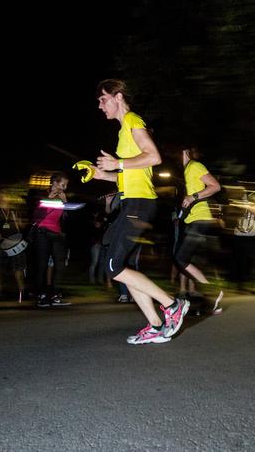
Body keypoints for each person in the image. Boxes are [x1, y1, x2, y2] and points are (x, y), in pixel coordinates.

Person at [93, 79, 188, 344]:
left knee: (113, 266)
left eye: (103, 99)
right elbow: (134, 172)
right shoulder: (124, 130)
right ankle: (156, 325)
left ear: (118, 97)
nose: (100, 106)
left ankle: (171, 306)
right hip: (132, 200)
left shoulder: (133, 120)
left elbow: (154, 157)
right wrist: (104, 173)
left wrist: (118, 162)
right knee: (114, 260)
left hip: (139, 203)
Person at [173, 146, 223, 315]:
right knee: (182, 259)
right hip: (191, 220)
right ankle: (209, 296)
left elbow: (215, 186)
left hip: (201, 219)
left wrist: (193, 197)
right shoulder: (185, 172)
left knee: (180, 259)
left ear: (184, 151)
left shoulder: (195, 166)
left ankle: (211, 292)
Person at [31, 172, 71, 307]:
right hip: (42, 232)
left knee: (60, 265)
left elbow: (66, 218)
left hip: (57, 233)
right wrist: (47, 198)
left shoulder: (62, 197)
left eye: (66, 185)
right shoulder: (41, 195)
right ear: (54, 183)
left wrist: (65, 202)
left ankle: (54, 294)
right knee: (42, 265)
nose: (64, 188)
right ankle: (41, 295)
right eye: (62, 184)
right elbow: (36, 215)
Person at [0, 189, 28, 301]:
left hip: (15, 244)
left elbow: (22, 226)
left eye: (4, 195)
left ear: (8, 198)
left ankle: (21, 292)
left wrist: (21, 222)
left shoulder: (14, 211)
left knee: (18, 268)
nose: (2, 198)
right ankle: (0, 292)